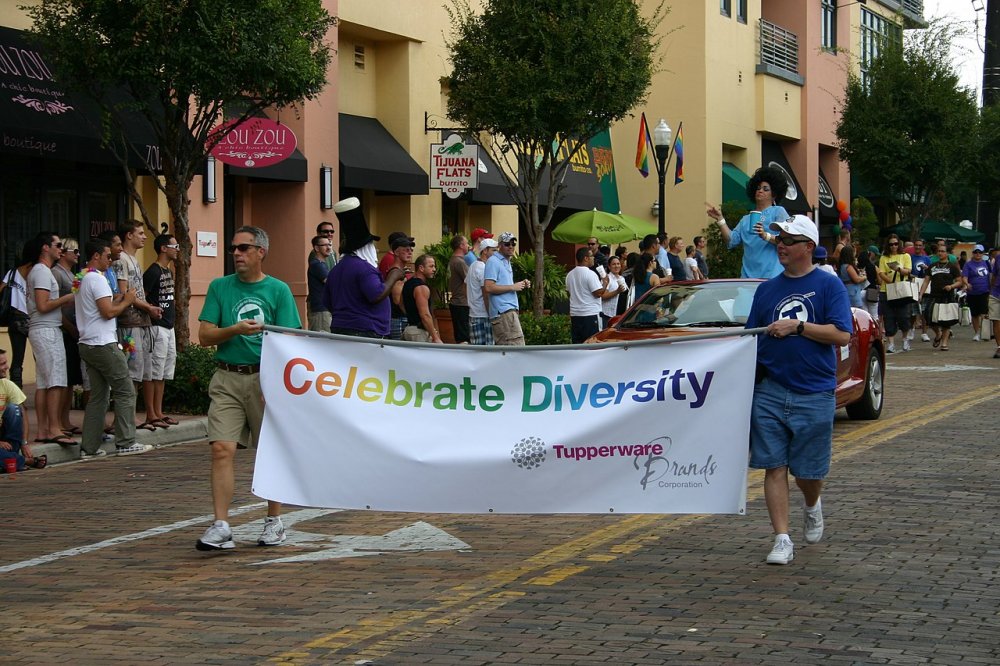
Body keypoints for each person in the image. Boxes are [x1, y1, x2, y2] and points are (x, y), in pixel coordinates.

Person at [746, 214, 852, 565]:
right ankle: (781, 537)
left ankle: (812, 503)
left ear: (808, 247)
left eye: (789, 240)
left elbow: (841, 335)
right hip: (771, 390)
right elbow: (751, 338)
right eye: (779, 239)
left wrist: (799, 326)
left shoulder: (828, 285)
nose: (782, 245)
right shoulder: (766, 289)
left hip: (814, 391)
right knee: (773, 466)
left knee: (808, 473)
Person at [196, 226, 301, 551]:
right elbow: (205, 335)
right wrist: (235, 329)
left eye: (244, 248)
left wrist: (279, 383)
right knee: (220, 449)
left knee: (270, 451)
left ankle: (274, 521)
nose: (237, 254)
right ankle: (221, 525)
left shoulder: (279, 290)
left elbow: (290, 338)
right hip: (227, 377)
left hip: (265, 378)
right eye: (234, 248)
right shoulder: (219, 287)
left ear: (261, 252)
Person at [75, 238, 151, 459]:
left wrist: (118, 297)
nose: (111, 260)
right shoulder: (96, 279)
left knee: (98, 396)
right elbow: (107, 312)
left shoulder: (82, 279)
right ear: (96, 256)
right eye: (108, 256)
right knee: (125, 389)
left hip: (88, 343)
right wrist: (127, 300)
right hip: (102, 343)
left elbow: (99, 305)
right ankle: (126, 441)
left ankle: (89, 448)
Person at [323, 199, 404, 339]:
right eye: (372, 245)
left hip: (340, 328)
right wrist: (394, 275)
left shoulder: (336, 270)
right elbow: (376, 294)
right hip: (365, 331)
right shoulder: (364, 268)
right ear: (366, 247)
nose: (375, 249)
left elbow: (327, 301)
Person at [26, 232, 76, 446]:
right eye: (57, 245)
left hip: (45, 329)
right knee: (55, 380)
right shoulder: (42, 272)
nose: (61, 249)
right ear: (45, 248)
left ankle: (45, 430)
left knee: (45, 382)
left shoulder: (41, 272)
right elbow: (43, 305)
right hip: (46, 329)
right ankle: (54, 427)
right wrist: (67, 297)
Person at [114, 221, 163, 432]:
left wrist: (148, 309)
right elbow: (125, 293)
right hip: (129, 323)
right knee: (131, 370)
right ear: (128, 235)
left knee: (141, 370)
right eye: (140, 233)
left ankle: (131, 416)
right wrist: (149, 307)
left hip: (141, 321)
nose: (144, 237)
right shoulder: (121, 260)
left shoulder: (134, 259)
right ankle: (126, 418)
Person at [706, 166, 790, 279]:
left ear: (774, 194)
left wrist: (766, 236)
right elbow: (731, 241)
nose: (760, 191)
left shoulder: (778, 212)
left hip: (772, 276)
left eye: (766, 189)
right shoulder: (745, 219)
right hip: (747, 279)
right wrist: (720, 220)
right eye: (758, 188)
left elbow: (787, 240)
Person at [142, 235, 179, 429]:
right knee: (153, 371)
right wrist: (151, 312)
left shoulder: (168, 272)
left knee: (164, 371)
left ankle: (159, 410)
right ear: (164, 248)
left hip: (169, 326)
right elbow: (143, 298)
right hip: (156, 327)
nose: (177, 249)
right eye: (175, 246)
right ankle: (151, 413)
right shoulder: (153, 271)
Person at [51, 237, 83, 437]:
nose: (78, 255)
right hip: (64, 329)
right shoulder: (56, 273)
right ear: (63, 253)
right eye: (75, 251)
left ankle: (65, 419)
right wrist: (69, 326)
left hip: (74, 330)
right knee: (62, 378)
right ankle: (58, 421)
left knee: (70, 378)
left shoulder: (71, 274)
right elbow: (54, 304)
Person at [0, 348, 43, 471]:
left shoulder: (6, 384)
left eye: (5, 363)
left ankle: (10, 457)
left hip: (6, 441)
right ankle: (23, 461)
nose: (7, 367)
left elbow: (22, 412)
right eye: (2, 364)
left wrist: (24, 443)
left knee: (15, 408)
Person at [484, 232, 529, 346]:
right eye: (507, 244)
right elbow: (488, 287)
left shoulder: (506, 261)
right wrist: (512, 287)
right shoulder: (493, 261)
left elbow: (504, 285)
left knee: (512, 350)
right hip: (503, 312)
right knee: (515, 349)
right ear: (499, 245)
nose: (511, 246)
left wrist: (521, 284)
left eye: (513, 244)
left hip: (508, 312)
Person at [918, 244, 962, 351]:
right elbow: (926, 281)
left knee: (946, 321)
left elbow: (959, 281)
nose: (940, 253)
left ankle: (944, 343)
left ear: (947, 253)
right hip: (934, 296)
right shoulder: (932, 266)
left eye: (943, 251)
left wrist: (951, 286)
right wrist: (920, 294)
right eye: (939, 251)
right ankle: (938, 334)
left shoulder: (952, 266)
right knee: (929, 317)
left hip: (947, 296)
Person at [877, 234, 913, 354]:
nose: (894, 246)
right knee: (889, 317)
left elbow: (908, 270)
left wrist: (899, 270)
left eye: (896, 244)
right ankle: (891, 343)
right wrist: (890, 282)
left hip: (902, 290)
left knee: (903, 316)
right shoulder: (884, 257)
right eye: (891, 244)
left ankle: (905, 339)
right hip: (886, 290)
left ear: (899, 244)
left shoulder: (905, 256)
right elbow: (881, 273)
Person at [0, 255, 32, 388]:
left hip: (16, 318)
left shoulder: (12, 273)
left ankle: (16, 394)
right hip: (31, 318)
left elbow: (1, 288)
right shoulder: (37, 273)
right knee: (40, 359)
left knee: (17, 360)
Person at [566, 246, 608, 343]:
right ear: (586, 258)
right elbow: (598, 293)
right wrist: (605, 283)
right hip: (590, 314)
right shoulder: (590, 274)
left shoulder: (570, 274)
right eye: (592, 256)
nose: (594, 258)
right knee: (592, 344)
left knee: (578, 345)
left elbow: (569, 293)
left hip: (575, 315)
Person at [401, 254, 443, 343]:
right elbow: (425, 315)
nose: (434, 269)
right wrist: (436, 337)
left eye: (434, 266)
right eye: (431, 266)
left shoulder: (408, 284)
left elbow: (401, 303)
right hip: (419, 332)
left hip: (409, 329)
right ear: (421, 268)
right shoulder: (421, 287)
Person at [466, 238, 498, 345]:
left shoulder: (473, 265)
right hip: (483, 315)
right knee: (488, 350)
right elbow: (486, 293)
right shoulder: (483, 268)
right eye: (494, 250)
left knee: (477, 349)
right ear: (485, 251)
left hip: (474, 313)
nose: (496, 253)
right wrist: (491, 314)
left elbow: (465, 285)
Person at [962, 244, 991, 342]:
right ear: (973, 253)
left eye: (980, 252)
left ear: (983, 253)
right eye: (976, 252)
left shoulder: (987, 263)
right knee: (975, 314)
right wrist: (967, 283)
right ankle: (977, 333)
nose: (978, 254)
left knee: (984, 313)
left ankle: (985, 332)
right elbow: (964, 276)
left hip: (985, 291)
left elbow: (991, 276)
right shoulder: (968, 264)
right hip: (972, 292)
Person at [306, 235, 333, 332]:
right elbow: (331, 283)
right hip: (320, 310)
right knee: (322, 341)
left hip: (323, 309)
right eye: (325, 245)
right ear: (316, 248)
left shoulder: (321, 264)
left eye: (329, 245)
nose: (329, 247)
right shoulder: (317, 265)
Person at [448, 235, 471, 344]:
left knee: (461, 336)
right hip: (462, 303)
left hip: (457, 303)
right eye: (466, 243)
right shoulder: (460, 262)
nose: (468, 246)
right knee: (464, 338)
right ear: (461, 245)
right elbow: (471, 280)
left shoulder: (453, 260)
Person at [909, 240, 933, 343]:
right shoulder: (910, 257)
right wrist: (911, 275)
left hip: (925, 285)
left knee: (924, 310)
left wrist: (927, 268)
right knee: (913, 311)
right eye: (916, 245)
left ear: (923, 246)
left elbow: (932, 272)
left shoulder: (927, 259)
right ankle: (911, 330)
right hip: (913, 284)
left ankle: (924, 332)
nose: (918, 247)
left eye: (920, 245)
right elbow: (907, 270)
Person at [601, 255, 628, 328]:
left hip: (619, 314)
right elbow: (603, 296)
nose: (616, 266)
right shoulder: (607, 278)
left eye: (618, 264)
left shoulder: (622, 278)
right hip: (608, 314)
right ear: (609, 267)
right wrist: (617, 291)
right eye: (614, 264)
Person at [858, 245, 881, 320]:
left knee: (865, 316)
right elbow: (880, 281)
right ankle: (875, 331)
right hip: (872, 291)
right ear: (871, 254)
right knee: (874, 316)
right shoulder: (874, 267)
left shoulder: (857, 267)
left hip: (860, 291)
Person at [989, 248, 1000, 359]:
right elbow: (994, 275)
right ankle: (999, 347)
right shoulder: (998, 258)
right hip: (996, 293)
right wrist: (991, 291)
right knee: (996, 320)